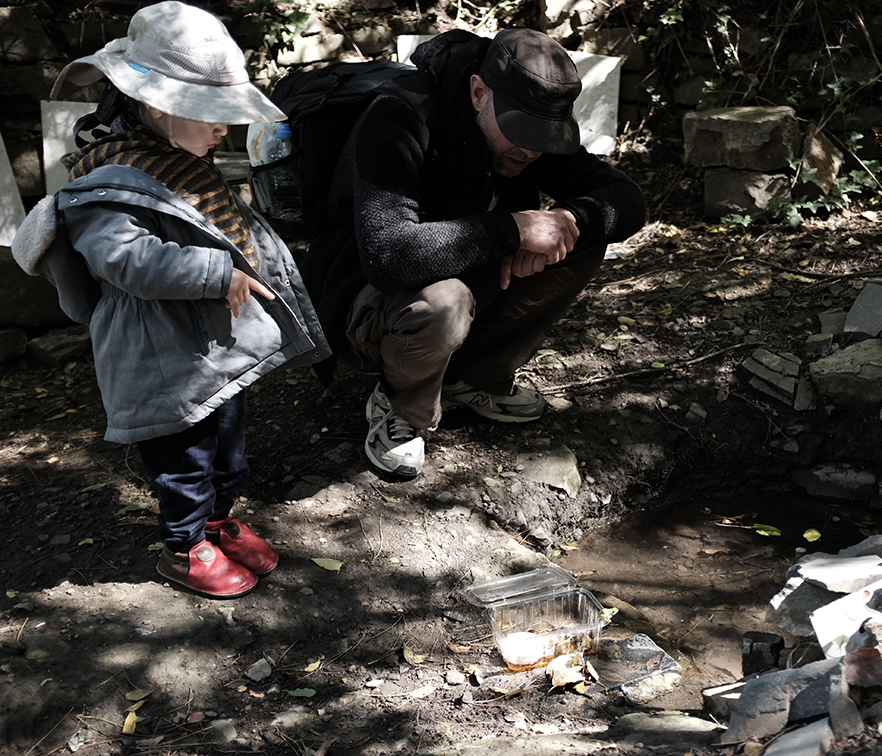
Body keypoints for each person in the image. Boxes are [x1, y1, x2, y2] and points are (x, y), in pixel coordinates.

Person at [11, 1, 330, 598]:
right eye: (210, 114)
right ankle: (185, 548)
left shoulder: (184, 165)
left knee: (229, 449)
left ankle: (216, 522)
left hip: (209, 349)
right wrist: (215, 270)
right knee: (183, 459)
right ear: (158, 107)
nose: (222, 128)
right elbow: (124, 259)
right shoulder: (104, 185)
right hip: (159, 358)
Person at [301, 28, 647, 479]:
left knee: (580, 235)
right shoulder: (399, 116)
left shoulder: (531, 134)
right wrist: (514, 229)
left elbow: (627, 200)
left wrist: (567, 219)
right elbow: (389, 256)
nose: (531, 148)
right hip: (362, 299)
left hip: (458, 276)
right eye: (520, 130)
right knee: (444, 302)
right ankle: (401, 405)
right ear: (479, 92)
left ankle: (469, 377)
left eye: (545, 135)